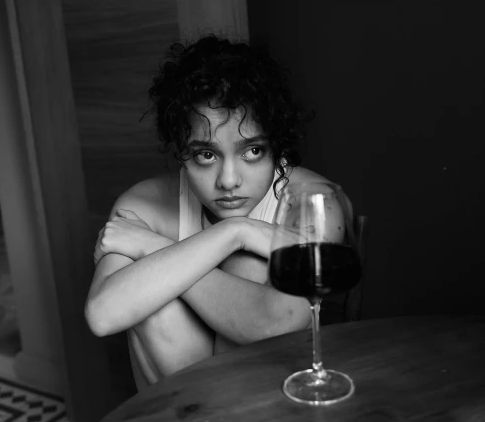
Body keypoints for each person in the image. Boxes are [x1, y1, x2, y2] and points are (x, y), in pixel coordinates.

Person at [84, 33, 335, 388]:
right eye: (206, 154)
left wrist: (232, 234)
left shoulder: (313, 201)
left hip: (279, 413)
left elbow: (276, 322)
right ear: (181, 152)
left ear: (277, 146)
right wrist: (234, 235)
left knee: (244, 264)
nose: (229, 181)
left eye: (252, 152)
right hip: (180, 415)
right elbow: (103, 315)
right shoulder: (144, 204)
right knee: (153, 300)